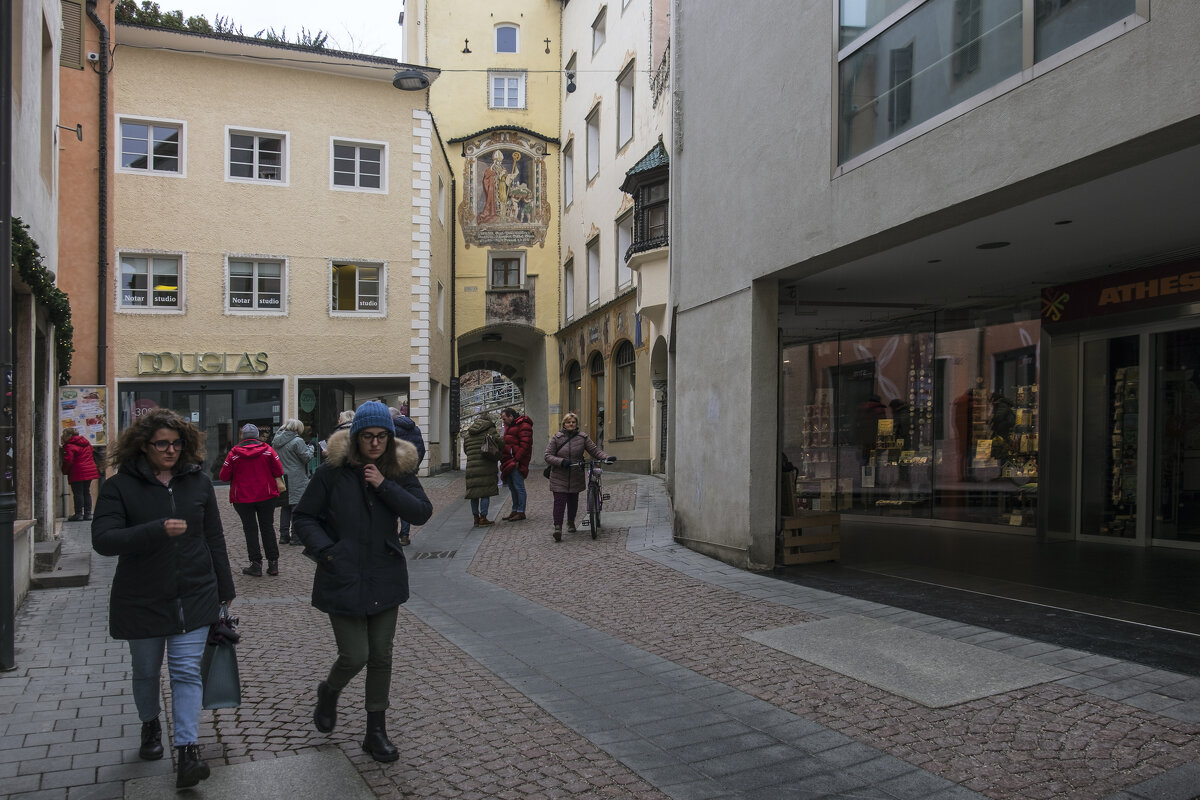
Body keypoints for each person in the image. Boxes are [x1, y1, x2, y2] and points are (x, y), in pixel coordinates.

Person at [91, 408, 235, 789]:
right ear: (144, 445)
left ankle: (187, 752)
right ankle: (150, 723)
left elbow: (214, 538)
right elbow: (103, 540)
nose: (170, 450)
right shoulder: (119, 487)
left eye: (176, 443)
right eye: (161, 444)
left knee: (187, 672)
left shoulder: (198, 482)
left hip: (195, 592)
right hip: (142, 596)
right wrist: (155, 530)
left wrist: (225, 588)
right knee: (146, 671)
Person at [293, 401, 432, 763]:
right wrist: (328, 552)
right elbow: (303, 517)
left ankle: (375, 731)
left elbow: (421, 511)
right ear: (355, 438)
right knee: (356, 654)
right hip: (342, 574)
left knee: (381, 656)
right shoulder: (332, 472)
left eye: (382, 436)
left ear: (390, 437)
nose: (375, 443)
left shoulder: (398, 470)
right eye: (368, 436)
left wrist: (384, 484)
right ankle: (330, 690)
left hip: (384, 574)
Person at [219, 423, 284, 577]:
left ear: (243, 437)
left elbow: (223, 476)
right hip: (266, 495)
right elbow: (279, 470)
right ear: (256, 436)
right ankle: (273, 563)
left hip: (242, 497)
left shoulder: (234, 453)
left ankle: (256, 564)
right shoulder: (268, 451)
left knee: (250, 529)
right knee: (267, 527)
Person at [543, 412, 613, 542]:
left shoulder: (582, 437)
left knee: (572, 501)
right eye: (568, 422)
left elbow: (595, 451)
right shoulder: (557, 438)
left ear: (576, 424)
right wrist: (561, 462)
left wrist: (607, 458)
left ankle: (570, 522)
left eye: (573, 422)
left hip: (576, 474)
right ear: (564, 424)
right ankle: (557, 528)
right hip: (559, 475)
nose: (571, 424)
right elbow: (548, 455)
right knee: (559, 502)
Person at [272, 419, 314, 546]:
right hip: (297, 478)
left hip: (283, 477)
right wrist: (311, 447)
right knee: (296, 507)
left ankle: (284, 536)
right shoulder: (297, 441)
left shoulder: (276, 441)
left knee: (285, 507)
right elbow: (306, 457)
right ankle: (296, 536)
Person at [389, 406, 425, 546]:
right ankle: (404, 535)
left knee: (392, 501)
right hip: (409, 471)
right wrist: (414, 466)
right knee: (406, 501)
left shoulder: (392, 429)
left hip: (394, 471)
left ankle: (391, 534)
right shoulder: (414, 428)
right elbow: (421, 449)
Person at [463, 412, 500, 527]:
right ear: (488, 421)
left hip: (471, 467)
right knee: (485, 492)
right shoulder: (490, 430)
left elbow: (466, 449)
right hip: (486, 465)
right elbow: (499, 443)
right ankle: (483, 518)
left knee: (473, 493)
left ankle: (476, 518)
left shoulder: (469, 433)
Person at [499, 407, 533, 521]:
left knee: (519, 487)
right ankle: (515, 510)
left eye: (504, 419)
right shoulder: (510, 426)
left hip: (516, 461)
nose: (503, 422)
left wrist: (517, 460)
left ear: (511, 416)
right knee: (512, 487)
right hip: (509, 460)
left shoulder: (524, 425)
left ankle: (521, 511)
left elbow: (525, 445)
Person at [61, 427, 100, 521]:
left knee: (78, 493)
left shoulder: (70, 445)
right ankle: (88, 514)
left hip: (77, 471)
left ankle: (78, 514)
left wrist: (64, 470)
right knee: (86, 492)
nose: (62, 437)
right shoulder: (86, 443)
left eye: (64, 435)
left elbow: (69, 460)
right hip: (89, 470)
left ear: (69, 436)